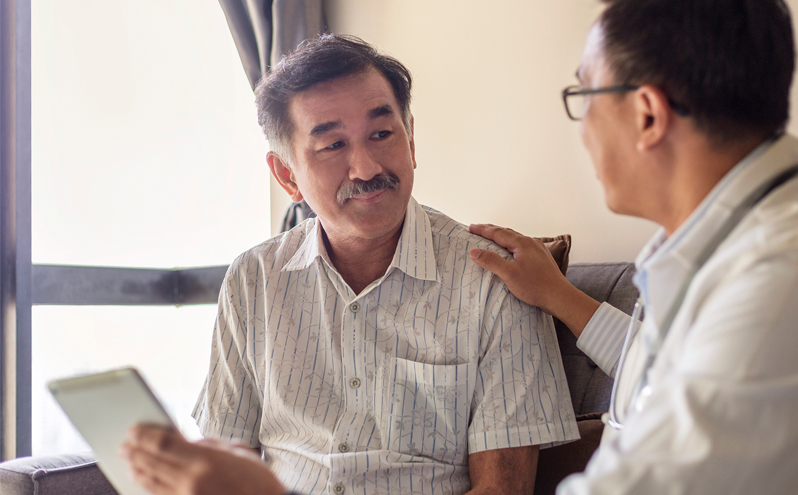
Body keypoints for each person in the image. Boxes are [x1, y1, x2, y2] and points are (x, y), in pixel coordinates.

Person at [123, 34, 578, 495]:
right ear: (286, 175)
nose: (365, 169)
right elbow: (223, 468)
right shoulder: (251, 280)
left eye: (382, 134)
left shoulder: (496, 279)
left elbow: (504, 492)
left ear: (411, 139)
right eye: (333, 146)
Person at [467, 0, 798, 494]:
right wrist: (557, 295)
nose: (582, 130)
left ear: (647, 114)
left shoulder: (789, 282)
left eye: (586, 95)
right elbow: (665, 367)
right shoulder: (742, 244)